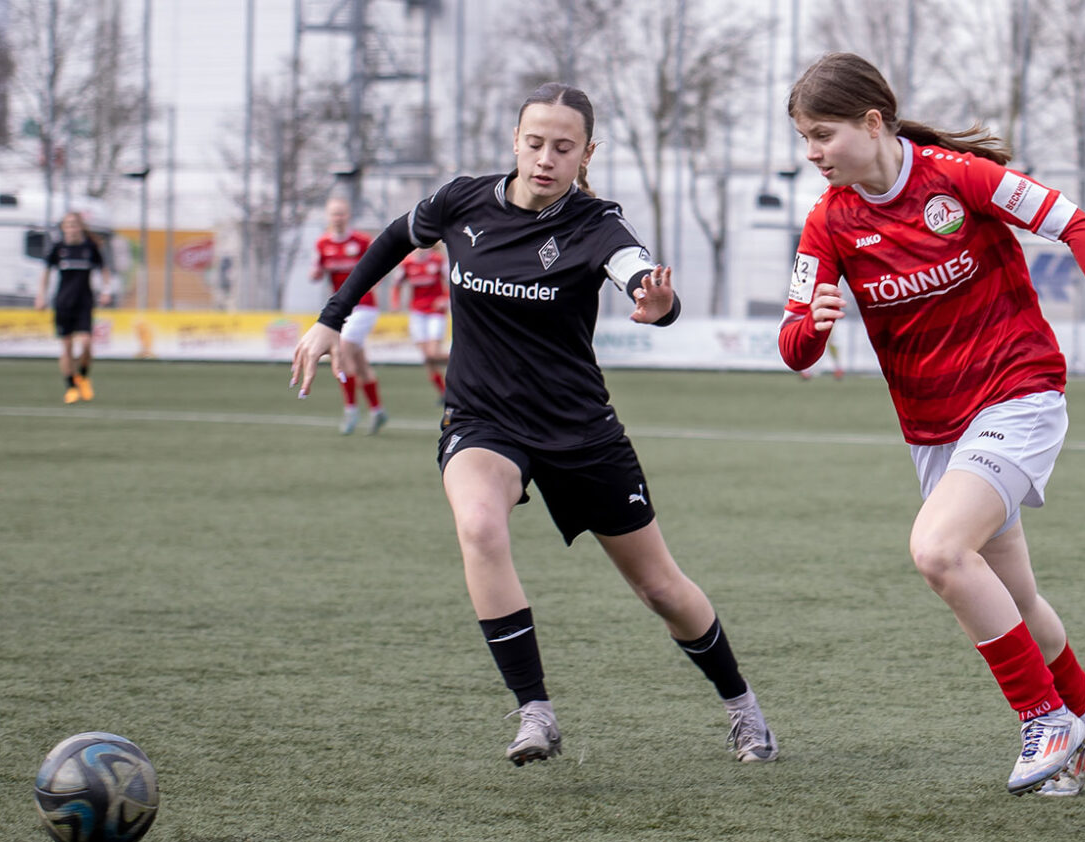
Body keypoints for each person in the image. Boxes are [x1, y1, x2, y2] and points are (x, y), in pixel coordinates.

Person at [290, 82, 777, 766]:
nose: (547, 157)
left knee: (660, 587)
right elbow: (395, 240)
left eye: (564, 147)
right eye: (536, 142)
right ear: (515, 141)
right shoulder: (462, 201)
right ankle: (535, 713)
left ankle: (742, 708)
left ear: (587, 153)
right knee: (479, 525)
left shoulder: (596, 224)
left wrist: (656, 301)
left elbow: (637, 275)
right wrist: (329, 318)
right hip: (484, 419)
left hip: (579, 428)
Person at [780, 52, 1085, 797]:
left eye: (822, 134)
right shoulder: (828, 222)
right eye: (804, 140)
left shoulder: (959, 179)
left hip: (1018, 393)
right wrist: (814, 326)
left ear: (872, 122)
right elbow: (795, 345)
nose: (812, 154)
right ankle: (1083, 711)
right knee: (1011, 600)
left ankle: (1043, 719)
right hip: (933, 429)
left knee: (938, 550)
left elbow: (1078, 228)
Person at [311, 197, 386, 435]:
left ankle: (351, 409)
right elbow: (318, 271)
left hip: (364, 307)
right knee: (360, 364)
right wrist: (316, 271)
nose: (338, 218)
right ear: (328, 217)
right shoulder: (322, 243)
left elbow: (379, 266)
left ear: (348, 215)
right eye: (334, 214)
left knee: (342, 352)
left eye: (341, 214)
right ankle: (377, 410)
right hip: (342, 310)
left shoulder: (361, 241)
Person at [36, 211, 114, 404]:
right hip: (63, 303)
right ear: (64, 228)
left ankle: (83, 375)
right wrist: (41, 296)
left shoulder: (89, 248)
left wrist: (106, 291)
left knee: (87, 344)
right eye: (68, 225)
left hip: (84, 302)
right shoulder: (58, 248)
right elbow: (46, 272)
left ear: (80, 227)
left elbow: (103, 270)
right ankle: (71, 387)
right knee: (67, 346)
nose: (71, 228)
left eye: (74, 224)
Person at [391, 242, 451, 400]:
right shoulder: (407, 263)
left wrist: (445, 299)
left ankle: (463, 362)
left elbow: (453, 282)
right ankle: (444, 392)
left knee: (433, 353)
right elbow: (396, 285)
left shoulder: (438, 261)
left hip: (435, 313)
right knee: (427, 357)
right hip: (417, 313)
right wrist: (395, 303)